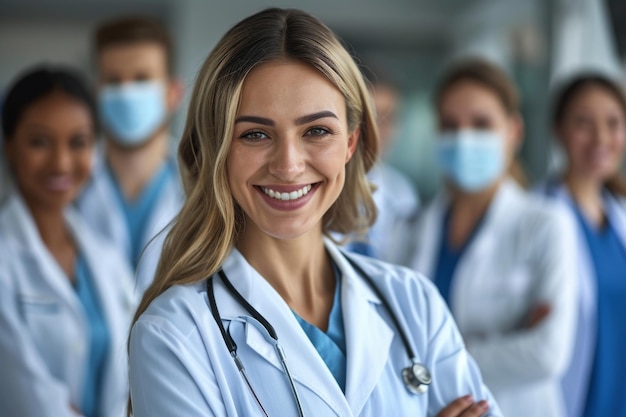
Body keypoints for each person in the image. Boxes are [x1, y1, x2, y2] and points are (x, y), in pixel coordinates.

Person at [128, 8, 502, 417]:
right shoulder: (174, 336)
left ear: (350, 143)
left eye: (317, 131)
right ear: (217, 150)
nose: (288, 165)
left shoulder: (414, 303)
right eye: (255, 134)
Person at [407, 58, 578, 417]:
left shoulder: (545, 223)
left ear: (514, 132)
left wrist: (428, 355)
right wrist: (500, 344)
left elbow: (547, 354)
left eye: (482, 124)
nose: (464, 138)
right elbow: (386, 342)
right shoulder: (411, 228)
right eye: (450, 125)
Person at [0, 66, 134, 417]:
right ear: (9, 146)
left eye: (78, 142)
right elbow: (25, 393)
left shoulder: (105, 256)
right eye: (40, 142)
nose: (61, 163)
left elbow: (127, 376)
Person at [76, 16, 184, 294]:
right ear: (94, 94)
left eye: (141, 79)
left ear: (173, 94)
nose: (126, 93)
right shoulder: (67, 187)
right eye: (113, 81)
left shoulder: (203, 187)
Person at [540, 73, 626, 417]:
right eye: (583, 123)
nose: (600, 138)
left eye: (613, 123)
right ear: (558, 130)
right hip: (567, 402)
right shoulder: (536, 217)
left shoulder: (620, 217)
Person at [345, 72, 420, 264]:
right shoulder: (316, 187)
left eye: (388, 118)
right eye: (368, 116)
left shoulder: (402, 192)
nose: (378, 130)